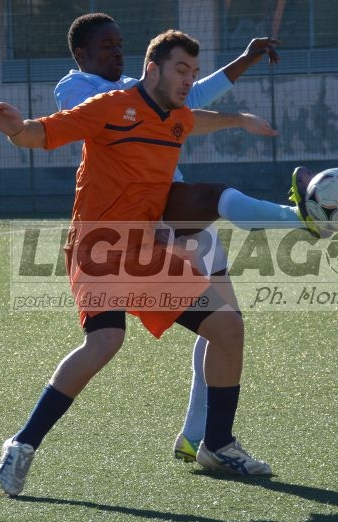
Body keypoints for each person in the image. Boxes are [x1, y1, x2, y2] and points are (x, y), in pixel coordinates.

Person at [0, 29, 275, 497]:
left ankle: (217, 443)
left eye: (194, 72)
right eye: (181, 70)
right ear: (153, 70)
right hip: (97, 246)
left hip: (145, 250)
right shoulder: (107, 104)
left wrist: (237, 120)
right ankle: (23, 443)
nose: (189, 79)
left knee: (228, 327)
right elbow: (45, 132)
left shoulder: (174, 117)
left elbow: (194, 119)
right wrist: (18, 129)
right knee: (106, 340)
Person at [54, 13, 316, 464]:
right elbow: (122, 112)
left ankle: (197, 435)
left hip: (178, 213)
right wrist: (162, 97)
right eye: (107, 46)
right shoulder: (76, 88)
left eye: (120, 44)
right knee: (205, 309)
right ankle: (299, 218)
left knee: (227, 322)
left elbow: (188, 97)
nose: (117, 52)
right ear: (82, 54)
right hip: (151, 220)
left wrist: (244, 62)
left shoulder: (140, 90)